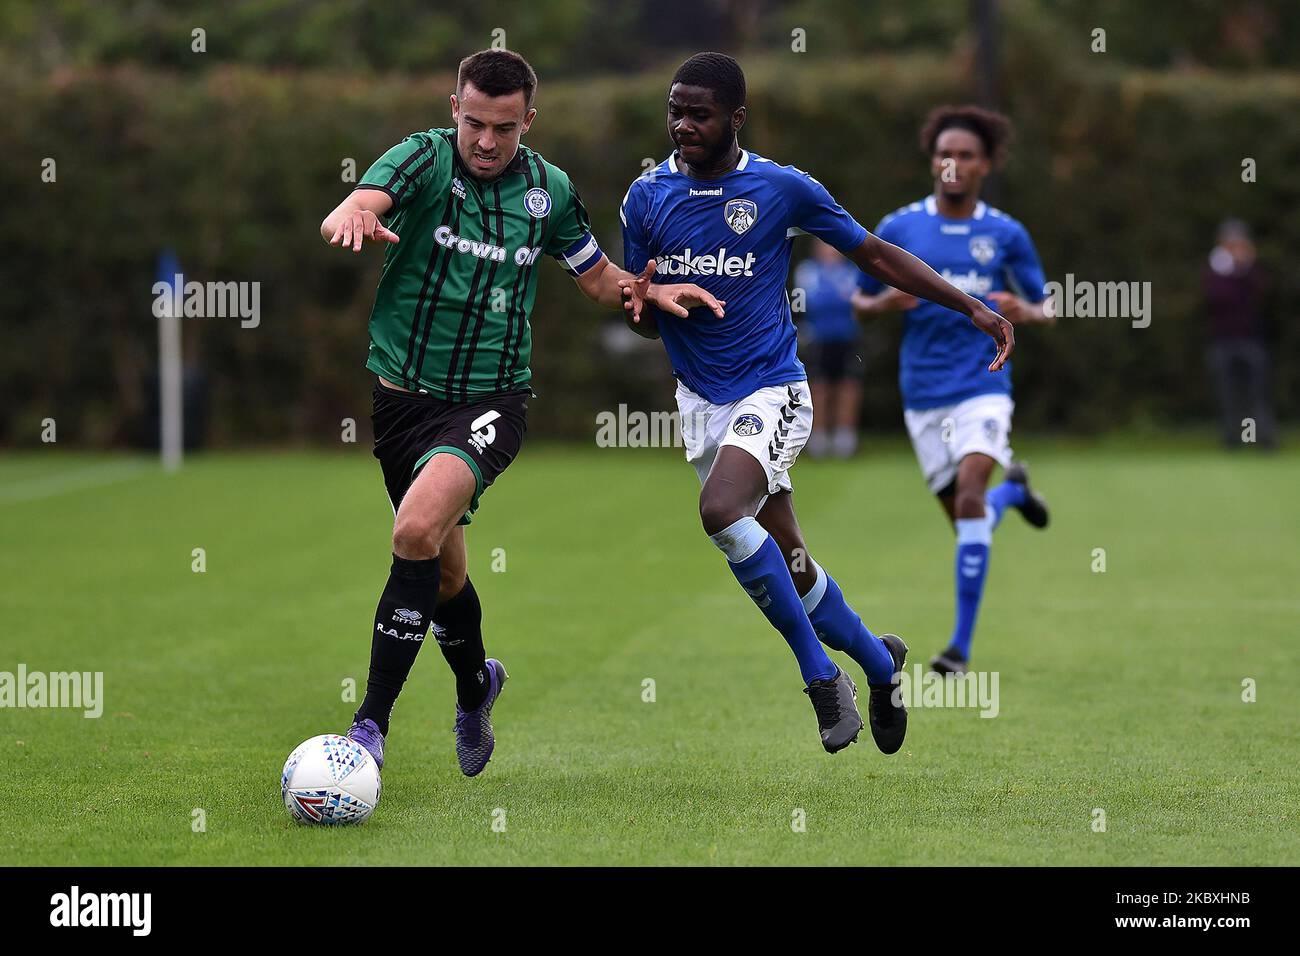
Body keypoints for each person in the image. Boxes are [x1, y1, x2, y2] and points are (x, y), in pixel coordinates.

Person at [319, 49, 721, 777]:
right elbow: (358, 205)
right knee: (440, 575)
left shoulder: (549, 191)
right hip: (401, 401)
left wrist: (644, 290)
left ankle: (368, 730)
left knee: (412, 530)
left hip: (491, 400)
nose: (485, 142)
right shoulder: (422, 160)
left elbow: (596, 277)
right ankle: (477, 686)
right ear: (455, 110)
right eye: (474, 123)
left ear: (527, 121)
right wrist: (349, 217)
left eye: (503, 128)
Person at [620, 54, 1014, 754]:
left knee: (719, 512)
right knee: (793, 564)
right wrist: (646, 302)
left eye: (699, 113)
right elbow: (640, 313)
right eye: (674, 110)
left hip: (773, 389)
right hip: (701, 403)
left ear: (736, 118)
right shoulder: (645, 199)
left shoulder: (781, 187)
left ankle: (821, 678)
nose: (683, 124)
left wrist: (972, 306)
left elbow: (876, 254)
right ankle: (879, 664)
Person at [852, 104, 1052, 676]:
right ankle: (1011, 495)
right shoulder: (898, 228)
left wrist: (1027, 311)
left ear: (986, 164)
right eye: (945, 153)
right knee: (968, 519)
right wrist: (882, 303)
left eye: (966, 155)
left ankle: (959, 649)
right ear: (932, 160)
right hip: (922, 393)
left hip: (983, 384)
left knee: (968, 499)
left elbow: (1049, 305)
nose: (954, 164)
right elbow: (858, 301)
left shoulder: (1006, 233)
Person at [1203, 219, 1276, 449]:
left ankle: (1264, 438)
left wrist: (1244, 268)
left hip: (1251, 340)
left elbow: (1260, 292)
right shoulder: (1214, 269)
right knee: (1228, 395)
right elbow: (1218, 298)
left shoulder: (1251, 269)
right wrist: (1235, 273)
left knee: (1258, 394)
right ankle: (1232, 440)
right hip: (1222, 341)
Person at [794, 238, 865, 458]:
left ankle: (845, 439)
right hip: (818, 337)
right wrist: (838, 297)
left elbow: (857, 301)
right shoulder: (806, 270)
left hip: (847, 336)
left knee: (848, 385)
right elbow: (807, 302)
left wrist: (836, 298)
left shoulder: (851, 270)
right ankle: (818, 438)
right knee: (819, 386)